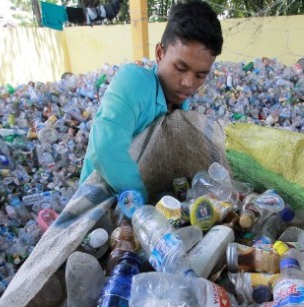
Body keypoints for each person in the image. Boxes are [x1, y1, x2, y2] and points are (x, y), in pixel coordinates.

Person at [78, 0, 223, 200]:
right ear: (159, 53)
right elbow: (105, 149)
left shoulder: (181, 107)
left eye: (200, 75)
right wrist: (144, 203)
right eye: (180, 68)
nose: (188, 83)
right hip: (102, 198)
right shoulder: (135, 81)